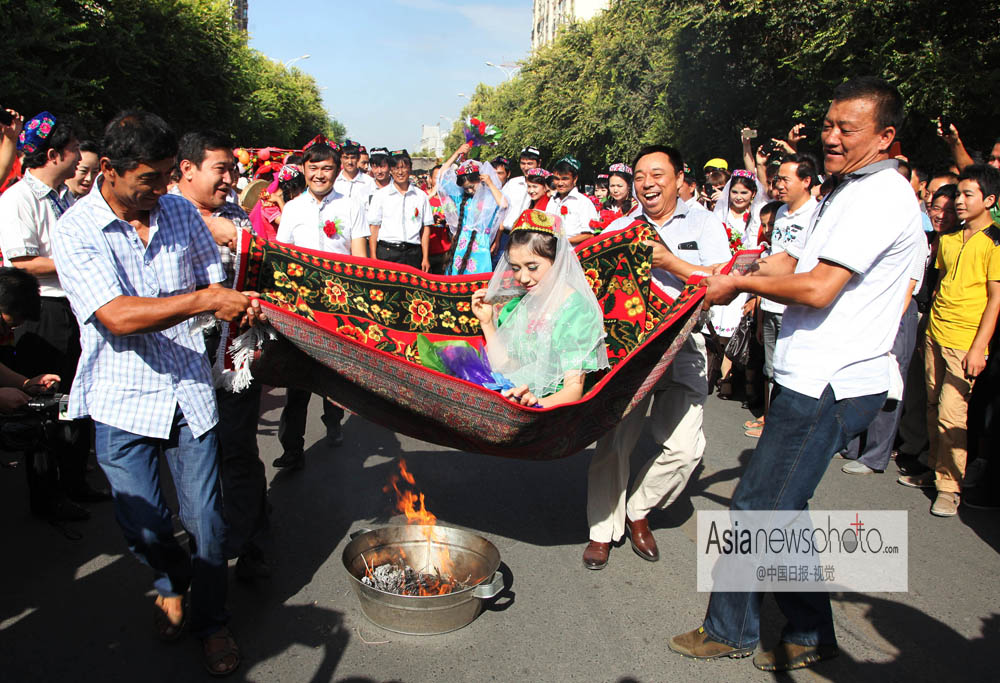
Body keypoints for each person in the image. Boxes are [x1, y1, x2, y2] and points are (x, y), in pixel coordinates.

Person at [669, 76, 923, 672]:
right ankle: (808, 630)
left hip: (829, 385)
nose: (831, 137)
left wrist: (737, 283)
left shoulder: (881, 197)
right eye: (829, 125)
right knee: (784, 506)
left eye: (847, 129)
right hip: (809, 377)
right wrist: (719, 270)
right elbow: (791, 259)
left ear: (885, 137)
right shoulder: (847, 188)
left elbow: (816, 286)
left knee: (758, 506)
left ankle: (730, 628)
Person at [52, 110, 261, 676]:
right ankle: (170, 578)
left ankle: (212, 622)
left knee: (208, 523)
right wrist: (203, 301)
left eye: (170, 176)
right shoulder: (74, 229)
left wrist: (237, 319)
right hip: (121, 398)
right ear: (114, 171)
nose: (162, 190)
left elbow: (208, 279)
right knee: (143, 527)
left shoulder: (175, 210)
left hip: (189, 390)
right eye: (150, 179)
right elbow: (116, 316)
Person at [585, 145, 731, 570]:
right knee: (614, 442)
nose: (647, 183)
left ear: (680, 177)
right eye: (640, 175)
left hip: (685, 344)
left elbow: (721, 281)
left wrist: (669, 261)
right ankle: (600, 532)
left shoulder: (705, 223)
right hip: (630, 351)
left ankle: (638, 510)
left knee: (686, 449)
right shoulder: (623, 226)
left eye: (657, 174)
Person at [172, 130, 272, 580]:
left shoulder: (237, 215)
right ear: (187, 170)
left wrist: (237, 240)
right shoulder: (161, 214)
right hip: (178, 354)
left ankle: (251, 543)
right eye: (222, 169)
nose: (231, 179)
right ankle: (203, 554)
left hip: (234, 353)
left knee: (237, 451)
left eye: (234, 169)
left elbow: (266, 268)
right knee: (193, 458)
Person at [0, 110, 110, 514]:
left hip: (74, 307)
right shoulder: (18, 199)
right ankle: (47, 497)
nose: (80, 157)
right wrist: (78, 260)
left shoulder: (65, 199)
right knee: (45, 404)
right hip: (42, 311)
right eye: (74, 150)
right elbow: (22, 262)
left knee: (76, 398)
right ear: (53, 154)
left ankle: (75, 480)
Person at [898, 164, 1000, 516]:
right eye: (958, 193)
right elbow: (942, 285)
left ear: (988, 200)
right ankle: (933, 470)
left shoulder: (995, 241)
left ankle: (949, 487)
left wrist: (978, 348)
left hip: (965, 341)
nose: (959, 201)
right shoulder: (950, 238)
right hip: (935, 334)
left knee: (951, 413)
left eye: (967, 194)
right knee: (931, 407)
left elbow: (996, 299)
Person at [273, 142, 366, 470]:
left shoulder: (352, 206)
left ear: (337, 171)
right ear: (304, 171)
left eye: (326, 168)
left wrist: (361, 302)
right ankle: (292, 447)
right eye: (313, 169)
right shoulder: (293, 209)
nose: (319, 175)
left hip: (339, 306)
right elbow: (281, 257)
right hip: (301, 306)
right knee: (297, 378)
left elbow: (360, 258)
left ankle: (333, 418)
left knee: (332, 373)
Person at [469, 209, 609, 407]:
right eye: (516, 268)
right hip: (516, 396)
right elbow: (505, 364)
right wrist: (486, 322)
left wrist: (536, 404)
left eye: (532, 267)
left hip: (551, 411)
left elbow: (573, 390)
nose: (523, 278)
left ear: (558, 261)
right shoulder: (522, 305)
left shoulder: (577, 313)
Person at [745, 156, 820, 436]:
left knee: (791, 370)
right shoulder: (782, 214)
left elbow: (790, 263)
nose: (778, 185)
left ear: (806, 181)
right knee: (771, 368)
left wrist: (739, 277)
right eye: (777, 180)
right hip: (770, 303)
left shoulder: (815, 215)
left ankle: (784, 425)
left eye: (785, 179)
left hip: (796, 306)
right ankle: (769, 418)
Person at [710, 169, 765, 398]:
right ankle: (723, 376)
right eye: (734, 192)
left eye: (744, 192)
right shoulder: (719, 212)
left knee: (739, 328)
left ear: (753, 194)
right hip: (725, 270)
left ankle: (737, 379)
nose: (738, 197)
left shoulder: (758, 214)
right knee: (719, 327)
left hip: (747, 274)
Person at [436, 143, 508, 275]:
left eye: (472, 187)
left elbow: (504, 204)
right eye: (466, 188)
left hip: (481, 248)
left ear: (480, 180)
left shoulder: (489, 199)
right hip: (461, 245)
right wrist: (457, 152)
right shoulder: (461, 200)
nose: (469, 191)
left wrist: (491, 184)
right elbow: (441, 176)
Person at [368, 149, 433, 270]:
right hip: (388, 252)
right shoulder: (380, 195)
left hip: (413, 253)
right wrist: (373, 256)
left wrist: (425, 257)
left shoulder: (421, 196)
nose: (400, 172)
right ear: (391, 170)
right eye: (396, 168)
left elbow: (425, 228)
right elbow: (374, 227)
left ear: (410, 168)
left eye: (403, 167)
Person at [547, 156, 599, 245]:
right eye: (556, 179)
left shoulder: (583, 202)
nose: (560, 183)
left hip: (573, 253)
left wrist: (562, 242)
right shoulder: (553, 200)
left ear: (575, 179)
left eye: (565, 179)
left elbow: (589, 235)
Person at [249, 164, 305, 241]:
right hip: (274, 246)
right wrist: (279, 200)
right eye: (298, 191)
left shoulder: (287, 200)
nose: (300, 194)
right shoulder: (269, 204)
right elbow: (286, 223)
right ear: (291, 189)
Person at [334, 139, 376, 213]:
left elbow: (373, 211)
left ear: (358, 158)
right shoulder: (334, 182)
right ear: (341, 159)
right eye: (346, 158)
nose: (350, 162)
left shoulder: (369, 182)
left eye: (353, 158)